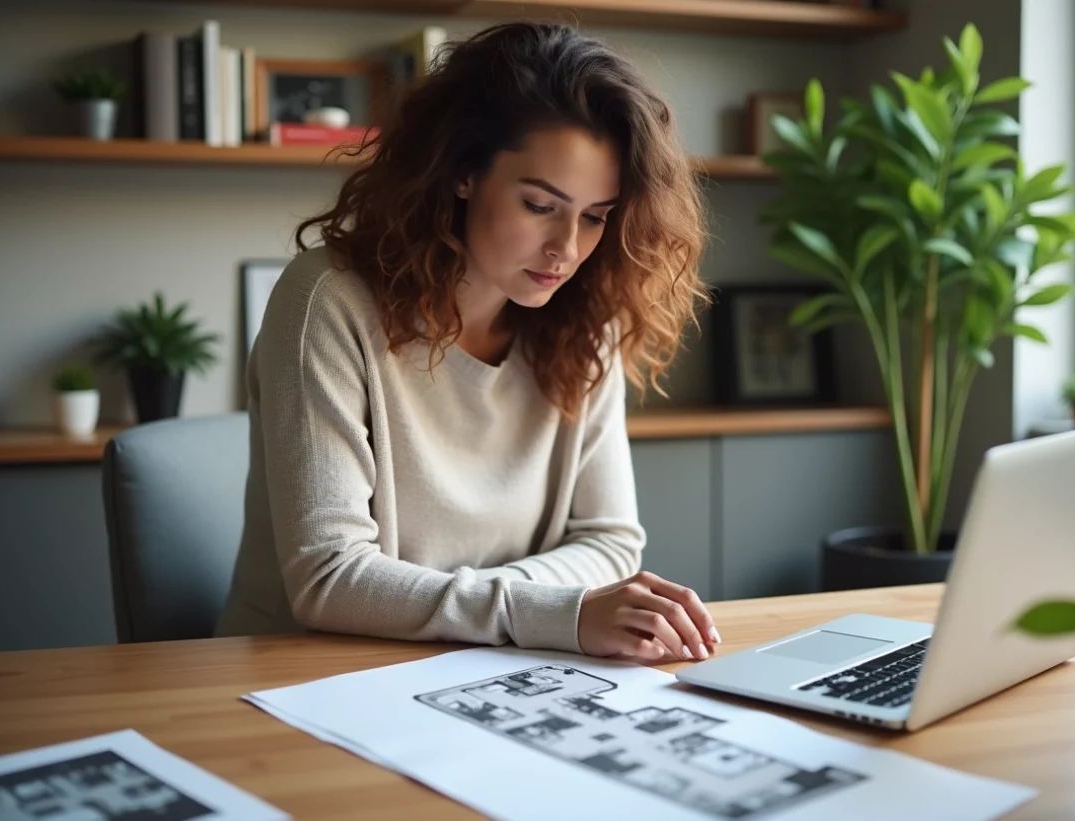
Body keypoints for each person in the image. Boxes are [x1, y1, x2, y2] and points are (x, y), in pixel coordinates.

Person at [216, 21, 721, 663]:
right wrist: (556, 613)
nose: (568, 249)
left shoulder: (585, 321)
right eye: (540, 205)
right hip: (303, 669)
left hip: (488, 665)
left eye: (595, 217)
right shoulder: (327, 301)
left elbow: (612, 542)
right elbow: (329, 578)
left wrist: (524, 616)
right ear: (462, 172)